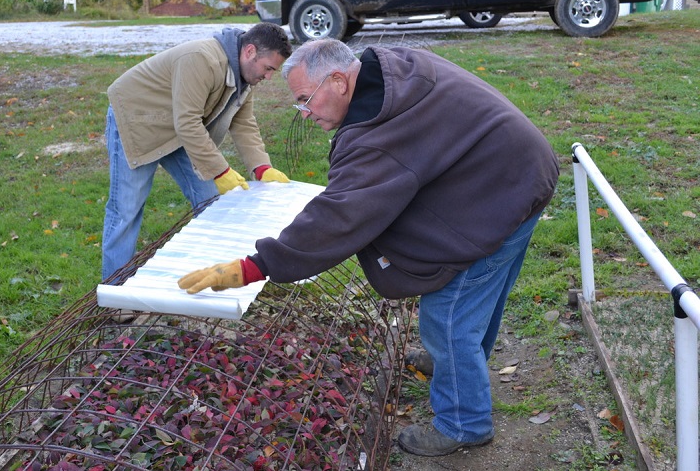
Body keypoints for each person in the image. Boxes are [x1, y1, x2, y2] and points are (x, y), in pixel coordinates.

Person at [177, 38, 559, 457]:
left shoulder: (380, 136)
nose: (304, 113)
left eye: (306, 99)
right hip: (518, 171)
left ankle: (464, 423)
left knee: (448, 316)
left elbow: (340, 217)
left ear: (339, 81)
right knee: (478, 302)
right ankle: (456, 366)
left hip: (497, 195)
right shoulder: (395, 69)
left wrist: (254, 267)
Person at [101, 22, 293, 281]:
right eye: (268, 68)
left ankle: (216, 276)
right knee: (126, 209)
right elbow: (188, 122)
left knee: (211, 200)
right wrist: (220, 170)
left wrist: (261, 167)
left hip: (178, 127)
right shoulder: (202, 59)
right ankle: (115, 292)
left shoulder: (245, 77)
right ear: (249, 52)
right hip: (138, 118)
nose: (269, 77)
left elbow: (244, 123)